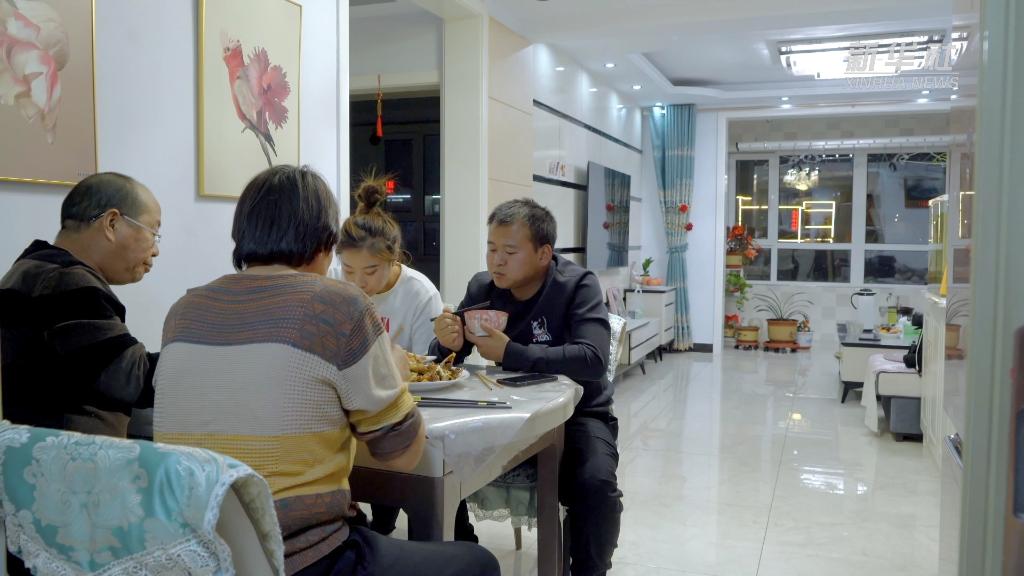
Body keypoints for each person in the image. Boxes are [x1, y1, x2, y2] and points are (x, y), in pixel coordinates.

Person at [153, 165, 498, 576]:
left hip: (194, 555)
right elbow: (404, 455)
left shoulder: (183, 311)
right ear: (325, 244)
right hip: (299, 556)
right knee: (478, 563)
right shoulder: (338, 306)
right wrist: (395, 374)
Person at [431, 198, 623, 575]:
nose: (496, 261)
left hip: (578, 415)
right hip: (505, 412)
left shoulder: (576, 285)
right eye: (491, 249)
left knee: (596, 485)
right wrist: (445, 343)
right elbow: (449, 357)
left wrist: (512, 353)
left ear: (543, 254)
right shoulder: (483, 288)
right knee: (436, 456)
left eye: (509, 251)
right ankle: (464, 556)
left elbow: (592, 358)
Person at [0, 172, 161, 438]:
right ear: (112, 223)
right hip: (63, 459)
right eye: (153, 233)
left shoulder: (35, 269)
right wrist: (207, 358)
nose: (155, 250)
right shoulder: (66, 280)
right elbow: (134, 379)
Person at [335, 173, 447, 538]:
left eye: (370, 271)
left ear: (393, 258)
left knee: (410, 463)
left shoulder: (419, 293)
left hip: (404, 404)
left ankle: (400, 530)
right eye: (348, 270)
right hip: (351, 405)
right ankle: (364, 527)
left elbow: (428, 366)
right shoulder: (335, 285)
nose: (358, 282)